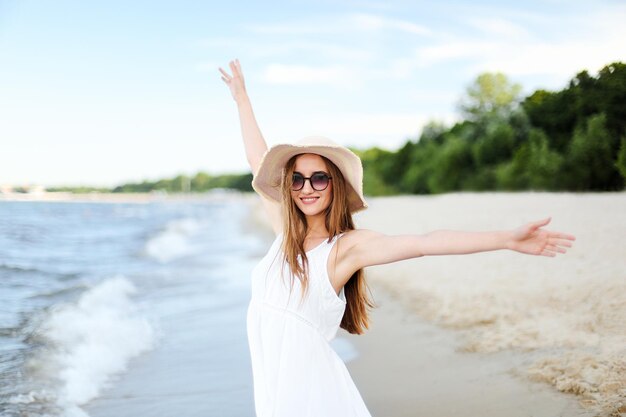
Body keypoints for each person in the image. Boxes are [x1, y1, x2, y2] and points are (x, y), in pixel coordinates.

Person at [219, 59, 576, 417]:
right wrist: (241, 99)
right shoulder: (286, 234)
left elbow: (425, 242)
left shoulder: (344, 249)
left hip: (313, 395)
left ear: (336, 186)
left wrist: (506, 239)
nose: (306, 188)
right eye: (297, 178)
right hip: (275, 390)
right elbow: (257, 159)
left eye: (319, 178)